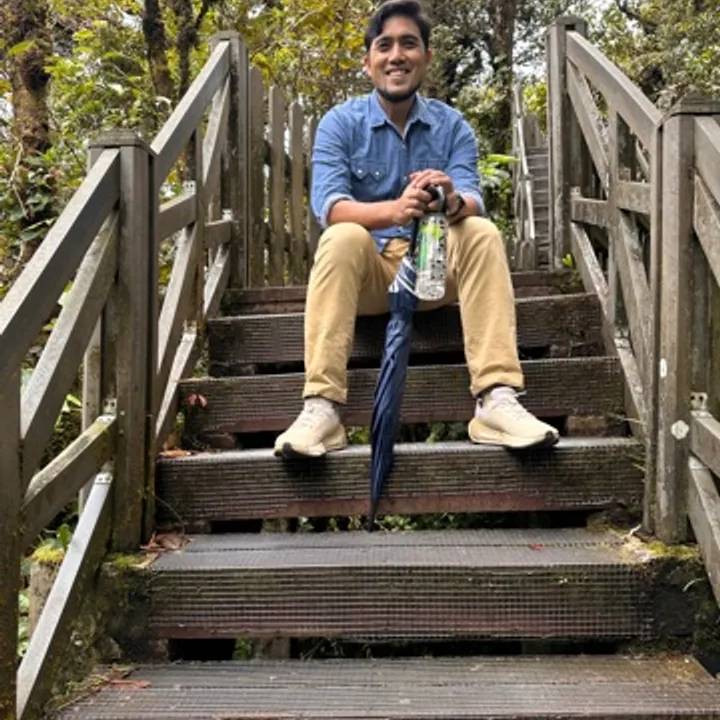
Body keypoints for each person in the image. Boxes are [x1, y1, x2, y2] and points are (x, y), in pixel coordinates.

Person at [274, 0, 559, 458]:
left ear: (426, 57)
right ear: (368, 62)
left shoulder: (452, 126)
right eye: (384, 46)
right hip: (370, 278)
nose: (396, 55)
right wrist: (395, 210)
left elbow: (473, 199)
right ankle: (321, 408)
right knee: (341, 236)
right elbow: (330, 207)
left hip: (434, 272)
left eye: (409, 44)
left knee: (481, 231)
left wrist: (450, 199)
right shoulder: (340, 123)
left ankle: (496, 398)